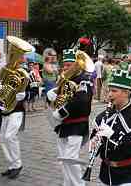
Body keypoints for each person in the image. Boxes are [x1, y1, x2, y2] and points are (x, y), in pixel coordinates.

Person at [90, 68, 131, 185]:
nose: (109, 94)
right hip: (106, 175)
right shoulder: (103, 115)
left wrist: (112, 135)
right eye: (109, 90)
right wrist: (94, 142)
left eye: (114, 91)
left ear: (126, 92)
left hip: (129, 177)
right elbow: (95, 137)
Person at [47, 46, 93, 186]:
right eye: (64, 65)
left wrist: (61, 112)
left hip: (77, 124)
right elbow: (59, 100)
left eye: (69, 64)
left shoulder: (83, 79)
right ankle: (68, 183)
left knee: (70, 158)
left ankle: (79, 184)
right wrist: (52, 97)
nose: (66, 67)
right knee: (63, 158)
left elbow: (81, 101)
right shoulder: (64, 80)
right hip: (64, 125)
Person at [0, 61, 27, 179]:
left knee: (10, 136)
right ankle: (12, 165)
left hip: (16, 110)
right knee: (1, 138)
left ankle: (17, 164)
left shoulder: (22, 74)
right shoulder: (1, 76)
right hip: (4, 111)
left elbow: (30, 88)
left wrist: (24, 94)